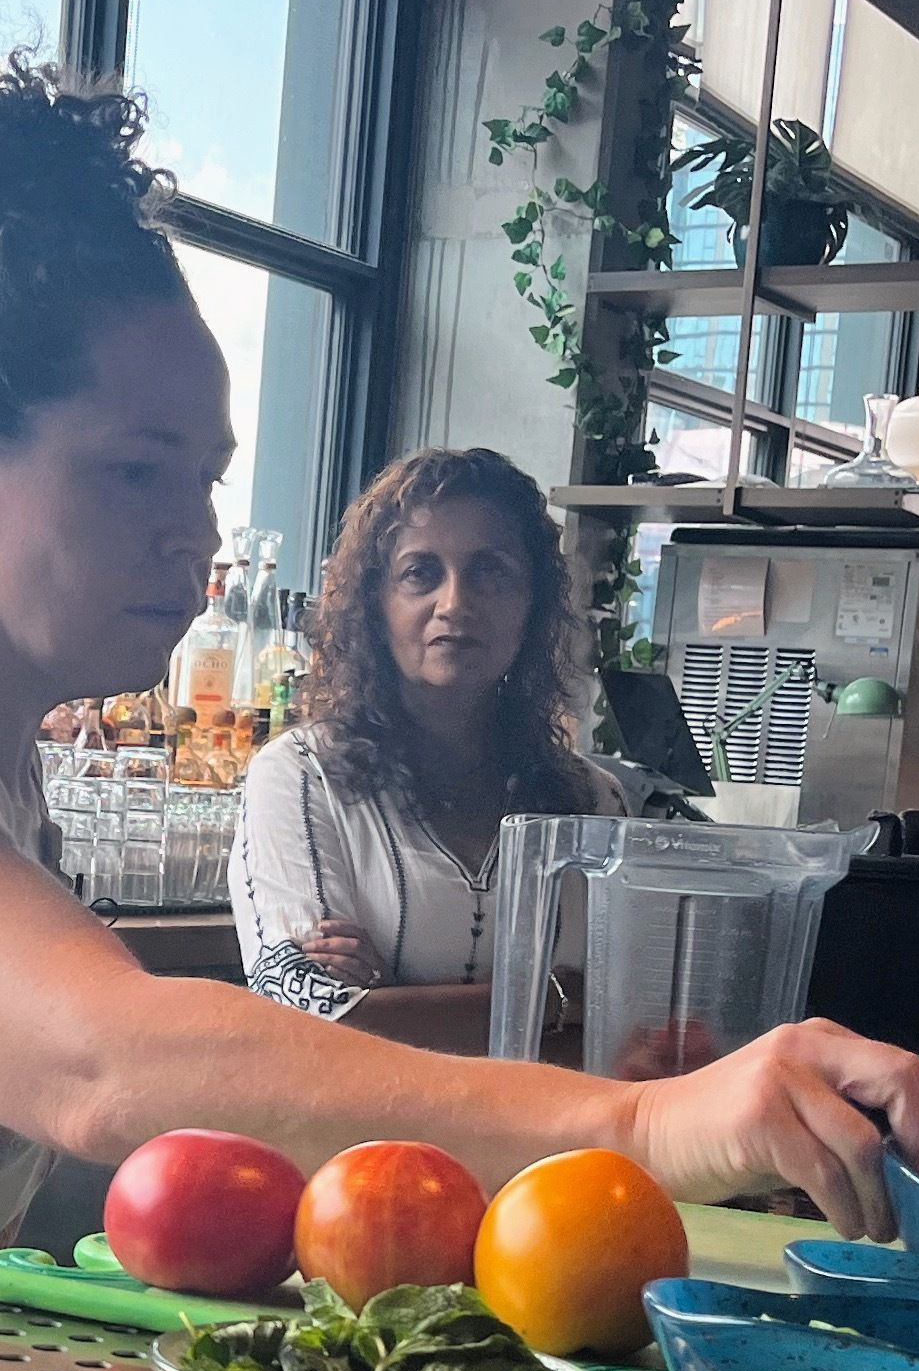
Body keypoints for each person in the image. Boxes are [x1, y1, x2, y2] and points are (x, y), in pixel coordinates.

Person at [0, 50, 919, 1255]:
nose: (192, 537)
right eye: (137, 473)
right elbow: (104, 1064)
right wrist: (634, 1122)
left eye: (203, 480)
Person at [228, 447, 624, 1047]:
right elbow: (305, 1021)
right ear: (374, 603)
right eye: (420, 573)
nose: (455, 603)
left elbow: (630, 1014)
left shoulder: (595, 800)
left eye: (491, 571)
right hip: (365, 1141)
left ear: (532, 606)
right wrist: (556, 997)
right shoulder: (301, 776)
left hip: (559, 1142)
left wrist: (393, 1002)